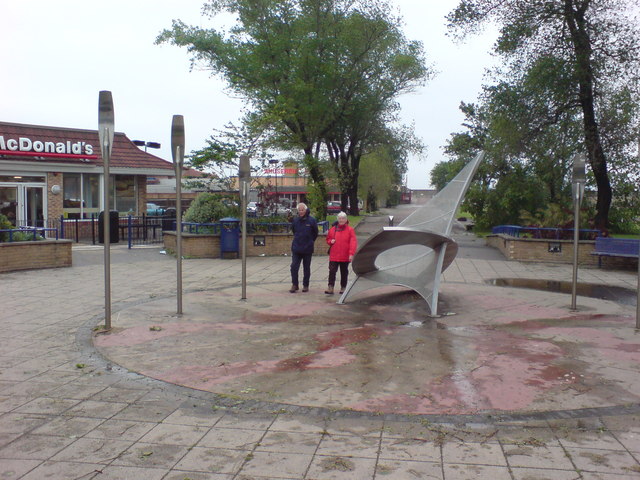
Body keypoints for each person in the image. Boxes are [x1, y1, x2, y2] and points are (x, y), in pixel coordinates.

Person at [324, 211, 358, 295]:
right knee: (332, 271)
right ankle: (330, 287)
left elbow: (353, 242)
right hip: (334, 255)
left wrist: (351, 254)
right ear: (337, 219)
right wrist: (330, 241)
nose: (341, 220)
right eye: (340, 218)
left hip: (345, 255)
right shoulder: (332, 229)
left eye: (343, 218)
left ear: (346, 220)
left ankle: (343, 287)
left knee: (344, 272)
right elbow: (328, 239)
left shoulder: (350, 230)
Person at [289, 202, 318, 293]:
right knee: (294, 266)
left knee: (306, 268)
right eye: (299, 210)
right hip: (296, 248)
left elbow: (315, 233)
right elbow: (294, 231)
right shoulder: (296, 220)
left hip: (307, 248)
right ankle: (295, 284)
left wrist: (310, 241)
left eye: (302, 210)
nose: (301, 212)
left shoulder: (312, 220)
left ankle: (305, 285)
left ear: (306, 210)